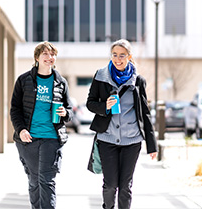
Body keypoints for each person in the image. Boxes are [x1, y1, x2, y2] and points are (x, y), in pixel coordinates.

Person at [86, 39, 158, 209]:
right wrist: (105, 106)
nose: (118, 59)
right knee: (110, 185)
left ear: (129, 57)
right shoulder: (101, 76)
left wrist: (152, 145)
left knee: (125, 186)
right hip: (107, 139)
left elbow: (144, 113)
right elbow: (90, 103)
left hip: (131, 141)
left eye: (122, 55)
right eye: (115, 55)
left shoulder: (138, 81)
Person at [10, 41, 73, 209]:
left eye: (52, 54)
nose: (49, 57)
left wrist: (65, 113)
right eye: (45, 54)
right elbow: (15, 109)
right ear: (37, 58)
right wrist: (21, 129)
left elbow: (69, 110)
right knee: (34, 180)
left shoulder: (60, 82)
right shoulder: (24, 80)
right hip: (28, 138)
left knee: (47, 180)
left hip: (52, 138)